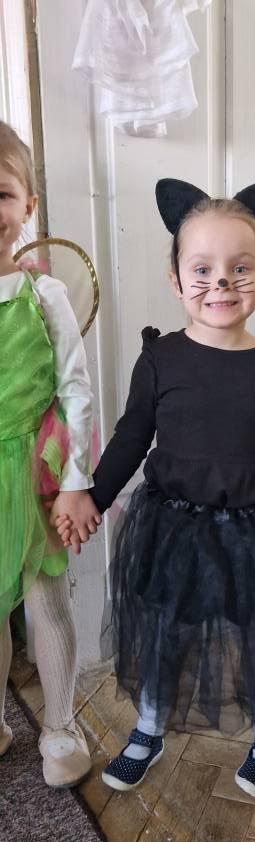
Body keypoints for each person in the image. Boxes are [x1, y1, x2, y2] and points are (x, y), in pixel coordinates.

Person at [57, 178, 255, 802]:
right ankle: (150, 727)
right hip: (173, 528)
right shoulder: (160, 360)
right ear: (175, 279)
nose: (221, 282)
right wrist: (93, 494)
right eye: (202, 269)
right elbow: (132, 436)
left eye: (240, 268)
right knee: (165, 629)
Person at [0, 120, 101, 788]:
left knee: (47, 599)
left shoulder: (44, 295)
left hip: (35, 477)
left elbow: (75, 390)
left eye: (1, 193)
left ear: (28, 204)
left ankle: (60, 727)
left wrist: (74, 481)